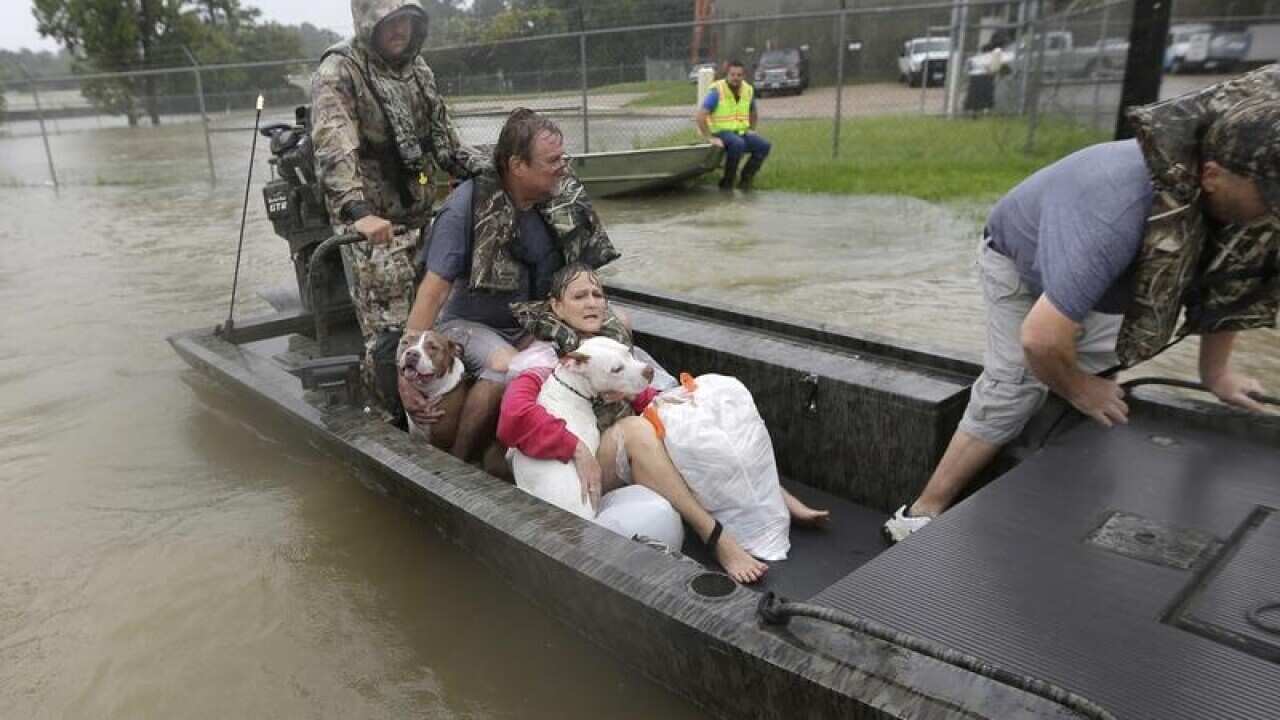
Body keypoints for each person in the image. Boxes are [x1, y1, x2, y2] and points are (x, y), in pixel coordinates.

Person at [884, 66, 1280, 543]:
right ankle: (924, 510)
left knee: (1098, 364)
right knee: (1017, 386)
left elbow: (1226, 277)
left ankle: (1052, 472)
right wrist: (1078, 388)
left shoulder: (1236, 204)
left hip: (1101, 275)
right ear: (1212, 175)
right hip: (1018, 260)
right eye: (1270, 193)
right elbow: (1040, 338)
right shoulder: (1117, 212)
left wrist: (1215, 376)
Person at [498, 264, 828, 584]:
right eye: (579, 296)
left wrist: (682, 400)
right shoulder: (544, 360)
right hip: (583, 470)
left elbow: (649, 396)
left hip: (611, 451)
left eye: (598, 294)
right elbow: (513, 418)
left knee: (699, 407)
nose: (592, 302)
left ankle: (773, 494)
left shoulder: (617, 348)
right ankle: (715, 536)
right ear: (556, 306)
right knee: (638, 431)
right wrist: (576, 449)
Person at [398, 109, 619, 464]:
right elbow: (432, 292)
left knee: (615, 328)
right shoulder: (463, 208)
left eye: (563, 157)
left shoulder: (560, 201)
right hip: (469, 325)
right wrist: (403, 373)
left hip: (532, 320)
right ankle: (460, 461)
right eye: (552, 160)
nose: (563, 166)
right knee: (507, 365)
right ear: (518, 166)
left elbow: (581, 279)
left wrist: (592, 321)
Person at [311, 0, 487, 417]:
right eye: (390, 21)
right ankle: (387, 415)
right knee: (391, 333)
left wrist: (490, 170)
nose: (400, 30)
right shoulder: (340, 71)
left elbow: (444, 139)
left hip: (423, 211)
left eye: (407, 19)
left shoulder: (417, 69)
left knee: (437, 321)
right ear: (369, 22)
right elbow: (334, 148)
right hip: (373, 224)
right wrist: (357, 211)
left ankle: (443, 407)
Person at [696, 60, 771, 192]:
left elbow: (753, 112)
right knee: (738, 144)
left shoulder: (748, 90)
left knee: (764, 146)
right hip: (721, 132)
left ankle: (745, 180)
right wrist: (709, 137)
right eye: (733, 74)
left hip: (741, 132)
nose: (736, 78)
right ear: (727, 75)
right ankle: (727, 182)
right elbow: (701, 116)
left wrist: (752, 130)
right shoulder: (717, 91)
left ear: (744, 76)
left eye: (739, 75)